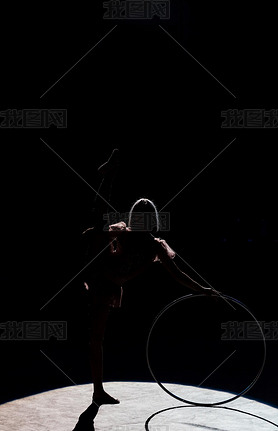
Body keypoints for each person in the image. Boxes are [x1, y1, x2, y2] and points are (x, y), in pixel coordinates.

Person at [81, 149, 213, 406]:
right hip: (102, 277)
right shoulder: (126, 234)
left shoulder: (154, 246)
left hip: (110, 281)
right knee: (95, 339)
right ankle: (108, 176)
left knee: (97, 339)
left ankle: (98, 391)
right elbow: (96, 233)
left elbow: (178, 275)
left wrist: (203, 289)